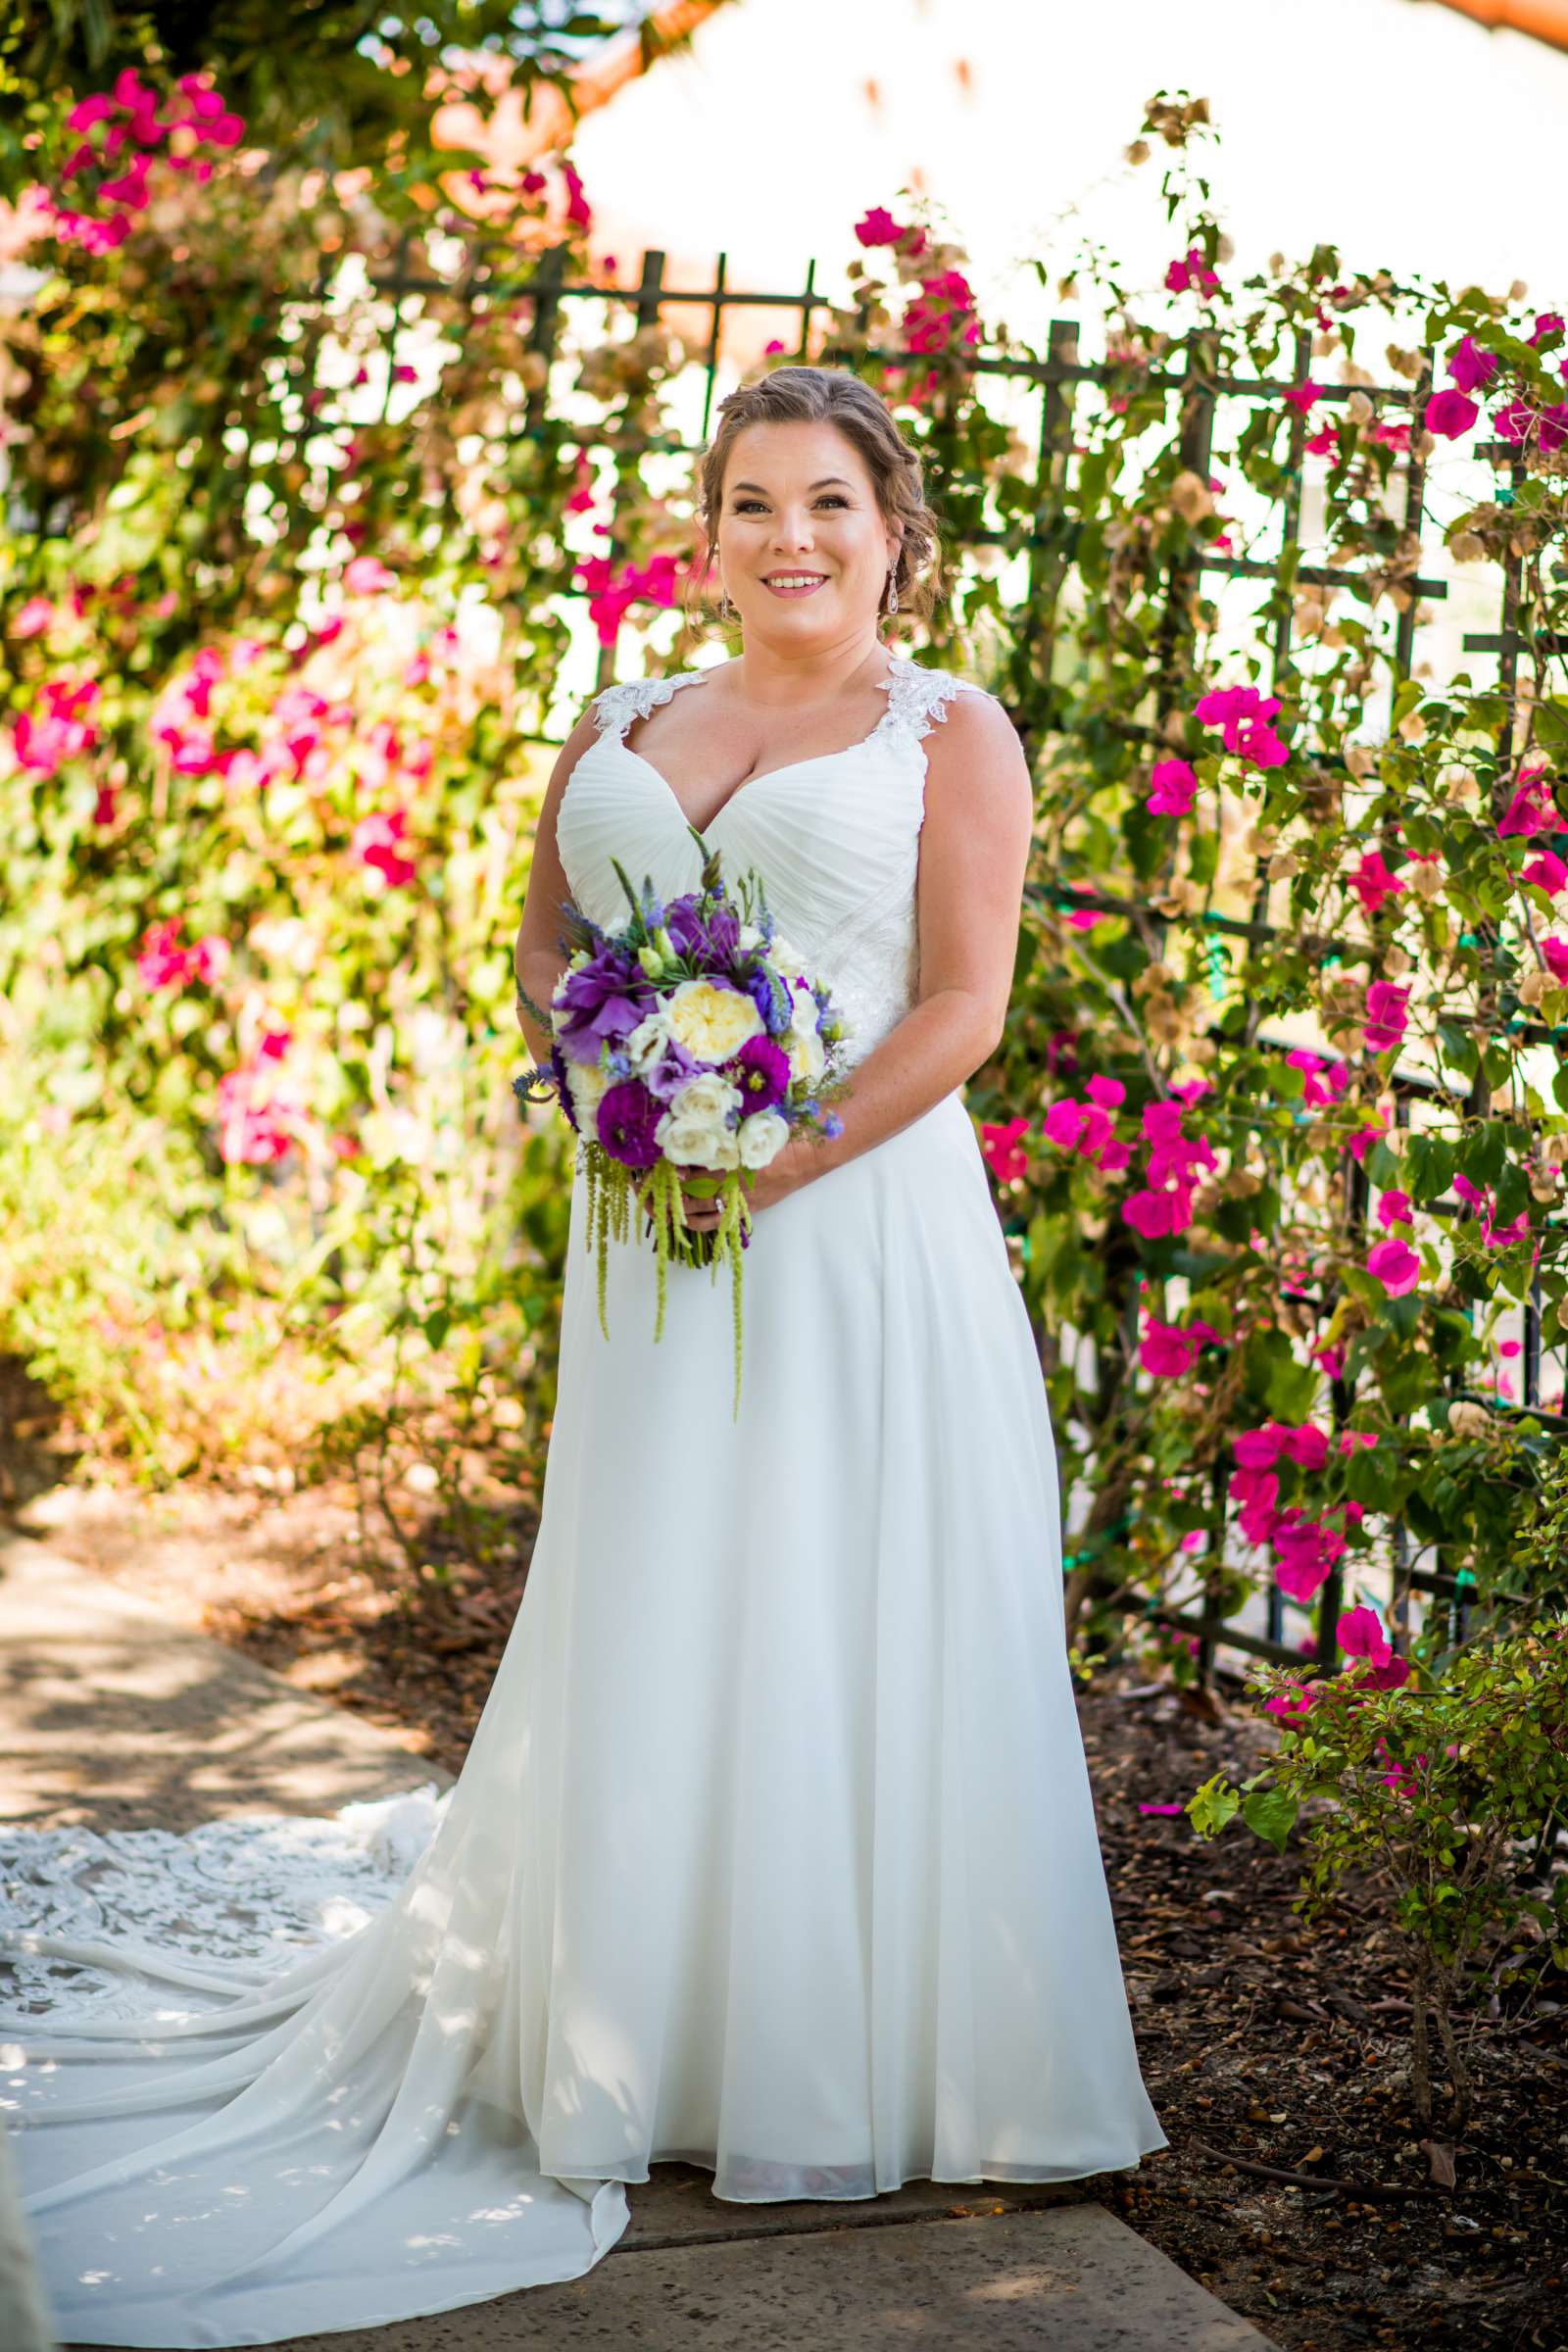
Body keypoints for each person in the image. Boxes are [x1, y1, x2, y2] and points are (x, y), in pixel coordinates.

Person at [0, 365, 1166, 2349]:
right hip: (651, 1242)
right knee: (653, 1596)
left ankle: (820, 2048)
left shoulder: (946, 735)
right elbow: (546, 946)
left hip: (849, 1230)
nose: (785, 537)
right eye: (744, 503)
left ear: (892, 529)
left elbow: (963, 1005)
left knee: (821, 1595)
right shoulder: (624, 720)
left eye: (824, 502)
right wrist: (606, 1080)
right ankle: (632, 2016)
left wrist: (771, 1155)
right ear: (701, 531)